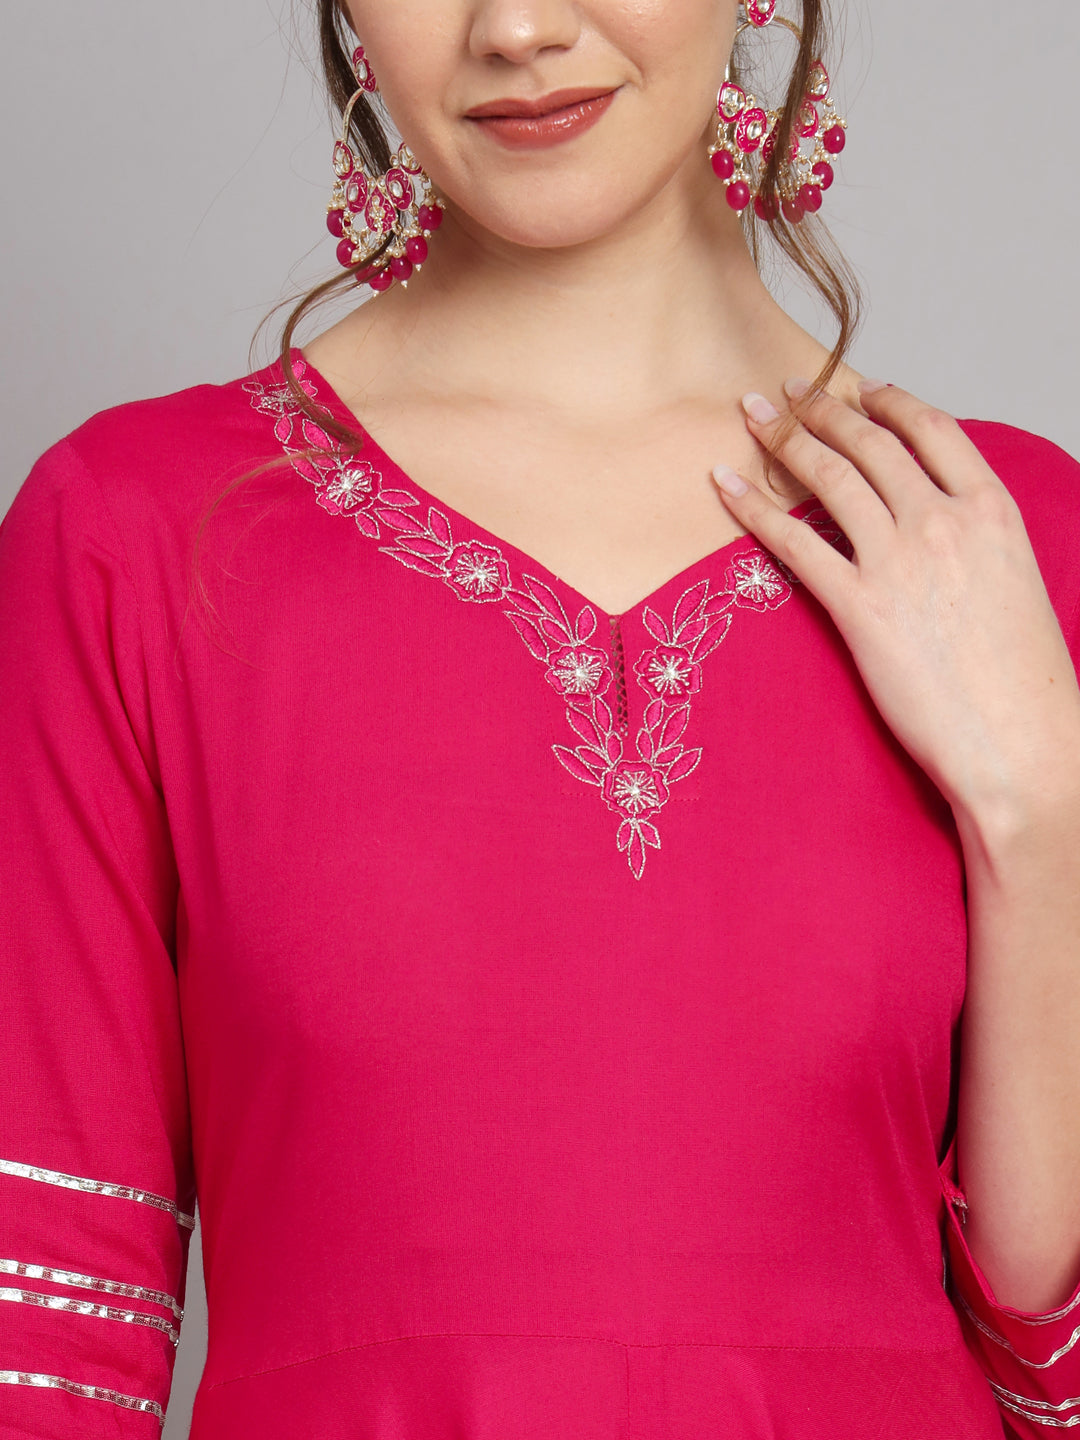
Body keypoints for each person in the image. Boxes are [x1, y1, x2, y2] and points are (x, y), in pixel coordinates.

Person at [2, 1, 1079, 1435]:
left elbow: (1048, 1383)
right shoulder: (133, 541)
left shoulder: (1015, 546)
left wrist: (1039, 818)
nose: (514, 28)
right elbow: (47, 1349)